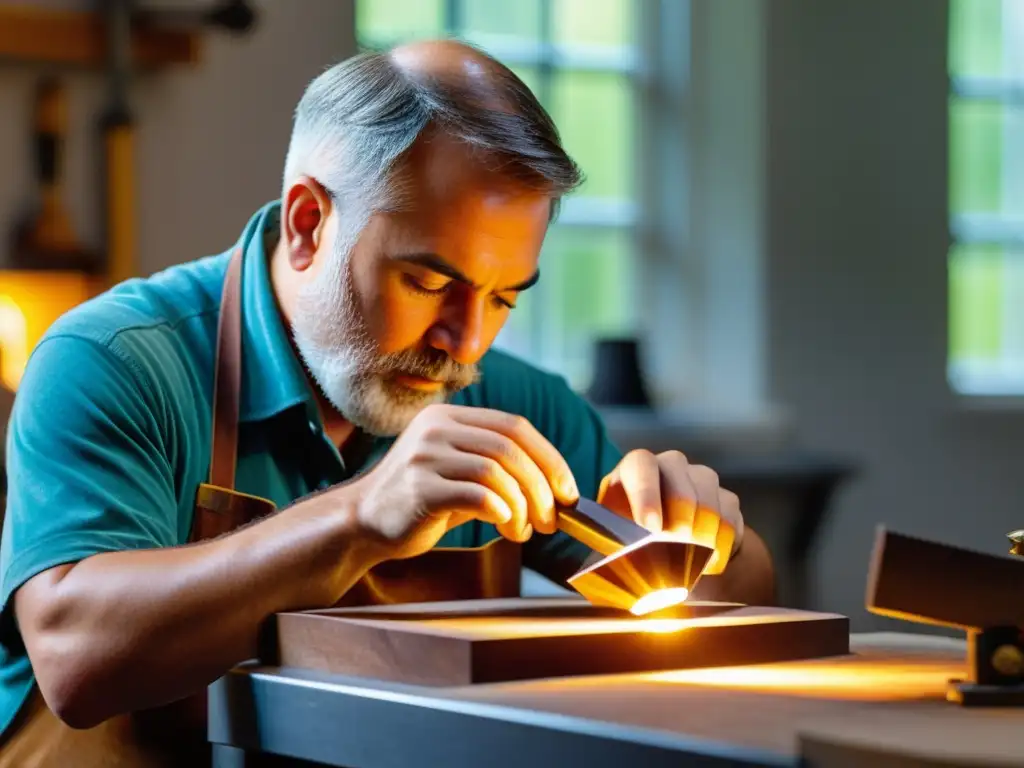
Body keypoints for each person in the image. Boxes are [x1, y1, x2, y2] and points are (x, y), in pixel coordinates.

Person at [0, 39, 775, 765]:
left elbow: (727, 599)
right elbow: (75, 660)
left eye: (504, 297)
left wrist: (708, 541)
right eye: (430, 282)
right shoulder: (120, 363)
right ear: (308, 223)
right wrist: (362, 517)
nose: (465, 342)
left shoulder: (513, 402)